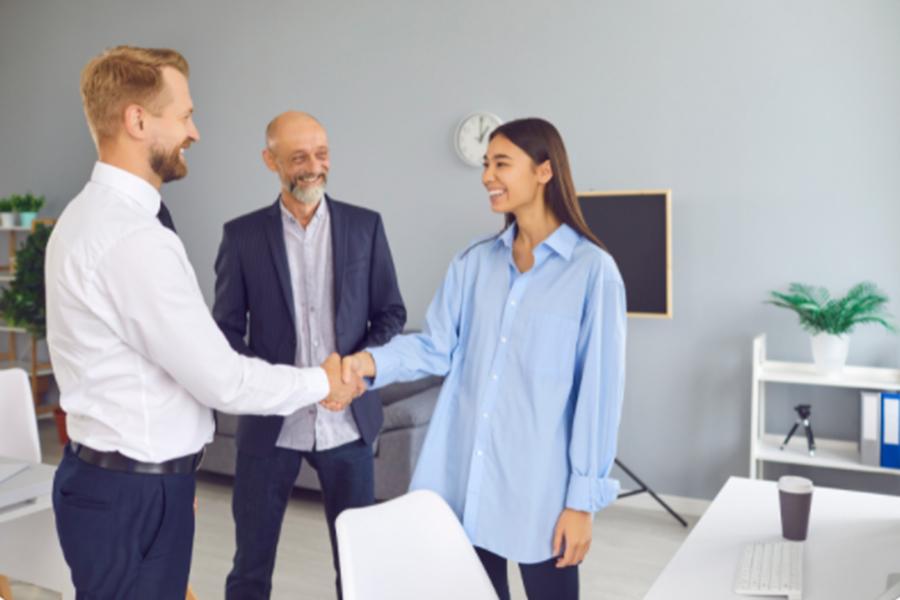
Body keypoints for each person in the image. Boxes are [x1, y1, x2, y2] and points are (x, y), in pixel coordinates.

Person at [44, 46, 363, 599]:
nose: (194, 132)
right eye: (185, 115)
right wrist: (323, 381)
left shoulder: (90, 215)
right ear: (138, 120)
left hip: (132, 483)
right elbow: (223, 379)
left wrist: (175, 473)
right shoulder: (131, 237)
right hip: (132, 494)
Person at [342, 118, 626, 600]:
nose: (487, 176)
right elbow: (435, 347)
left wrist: (582, 503)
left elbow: (597, 395)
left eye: (501, 164)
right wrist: (365, 363)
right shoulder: (472, 263)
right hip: (466, 482)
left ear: (543, 171)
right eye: (486, 164)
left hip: (541, 492)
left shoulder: (592, 272)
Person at [215, 111, 406, 599]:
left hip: (348, 422)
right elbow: (227, 332)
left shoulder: (365, 226)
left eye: (321, 154)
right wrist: (274, 386)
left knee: (359, 569)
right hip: (270, 426)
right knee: (250, 568)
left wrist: (354, 374)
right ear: (270, 160)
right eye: (298, 157)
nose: (314, 167)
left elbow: (391, 314)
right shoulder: (242, 236)